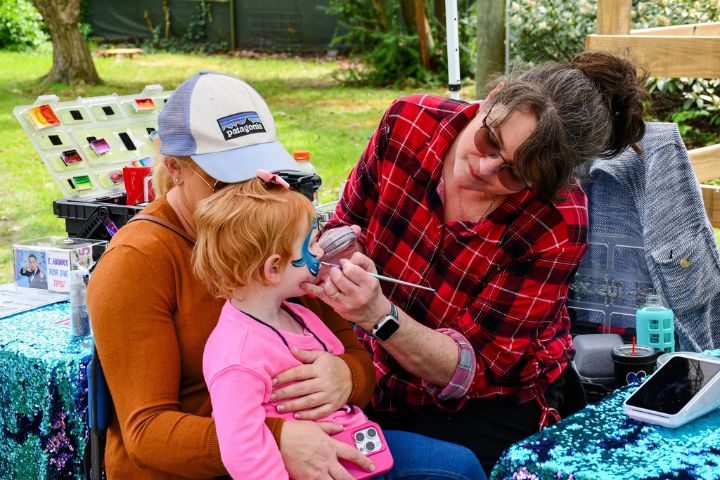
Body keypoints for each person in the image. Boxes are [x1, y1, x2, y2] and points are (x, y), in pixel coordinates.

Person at [302, 51, 648, 476]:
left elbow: (472, 369)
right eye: (490, 142)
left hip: (491, 400)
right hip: (378, 369)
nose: (484, 168)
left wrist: (379, 316)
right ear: (494, 97)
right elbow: (346, 223)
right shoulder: (407, 122)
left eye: (513, 174)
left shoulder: (557, 221)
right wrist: (336, 253)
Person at [87, 72, 380, 480]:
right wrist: (273, 438)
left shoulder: (273, 230)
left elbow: (356, 359)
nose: (248, 189)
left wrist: (345, 377)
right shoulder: (137, 260)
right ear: (175, 170)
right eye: (224, 178)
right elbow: (146, 433)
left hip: (316, 441)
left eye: (257, 170)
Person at [193, 175, 485, 479]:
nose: (320, 253)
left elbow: (340, 357)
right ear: (274, 268)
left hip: (359, 443)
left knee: (460, 463)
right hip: (320, 468)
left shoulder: (295, 311)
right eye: (309, 246)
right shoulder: (236, 355)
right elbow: (243, 451)